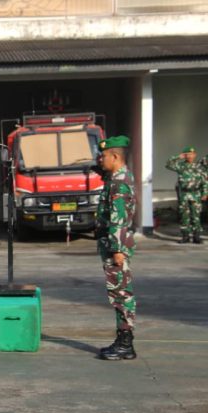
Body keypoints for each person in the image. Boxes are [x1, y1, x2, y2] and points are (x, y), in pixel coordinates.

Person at [95, 136, 138, 361]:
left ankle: (125, 344)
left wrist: (117, 249)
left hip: (116, 246)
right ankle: (123, 340)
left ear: (115, 156)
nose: (100, 159)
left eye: (103, 156)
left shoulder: (119, 183)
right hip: (113, 244)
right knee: (118, 292)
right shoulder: (117, 178)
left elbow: (118, 218)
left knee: (121, 293)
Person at [165, 146, 207, 244]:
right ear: (185, 155)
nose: (190, 156)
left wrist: (205, 193)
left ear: (195, 155)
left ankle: (196, 236)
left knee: (196, 215)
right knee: (184, 216)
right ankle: (185, 236)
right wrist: (178, 157)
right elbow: (168, 164)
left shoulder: (199, 167)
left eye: (191, 154)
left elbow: (204, 181)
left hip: (196, 194)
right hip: (184, 194)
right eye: (187, 154)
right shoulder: (181, 166)